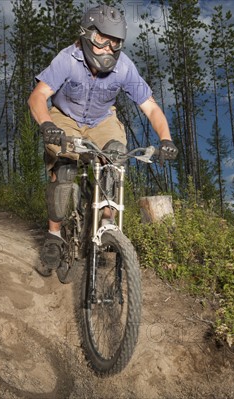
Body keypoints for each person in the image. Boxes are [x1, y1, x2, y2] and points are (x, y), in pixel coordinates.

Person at [28, 4, 178, 277]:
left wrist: (165, 139)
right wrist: (47, 124)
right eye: (101, 39)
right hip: (65, 118)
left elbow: (152, 108)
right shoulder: (67, 58)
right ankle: (54, 235)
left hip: (101, 121)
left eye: (115, 42)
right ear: (86, 34)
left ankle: (106, 224)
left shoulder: (124, 67)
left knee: (116, 156)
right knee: (63, 170)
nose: (108, 48)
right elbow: (38, 96)